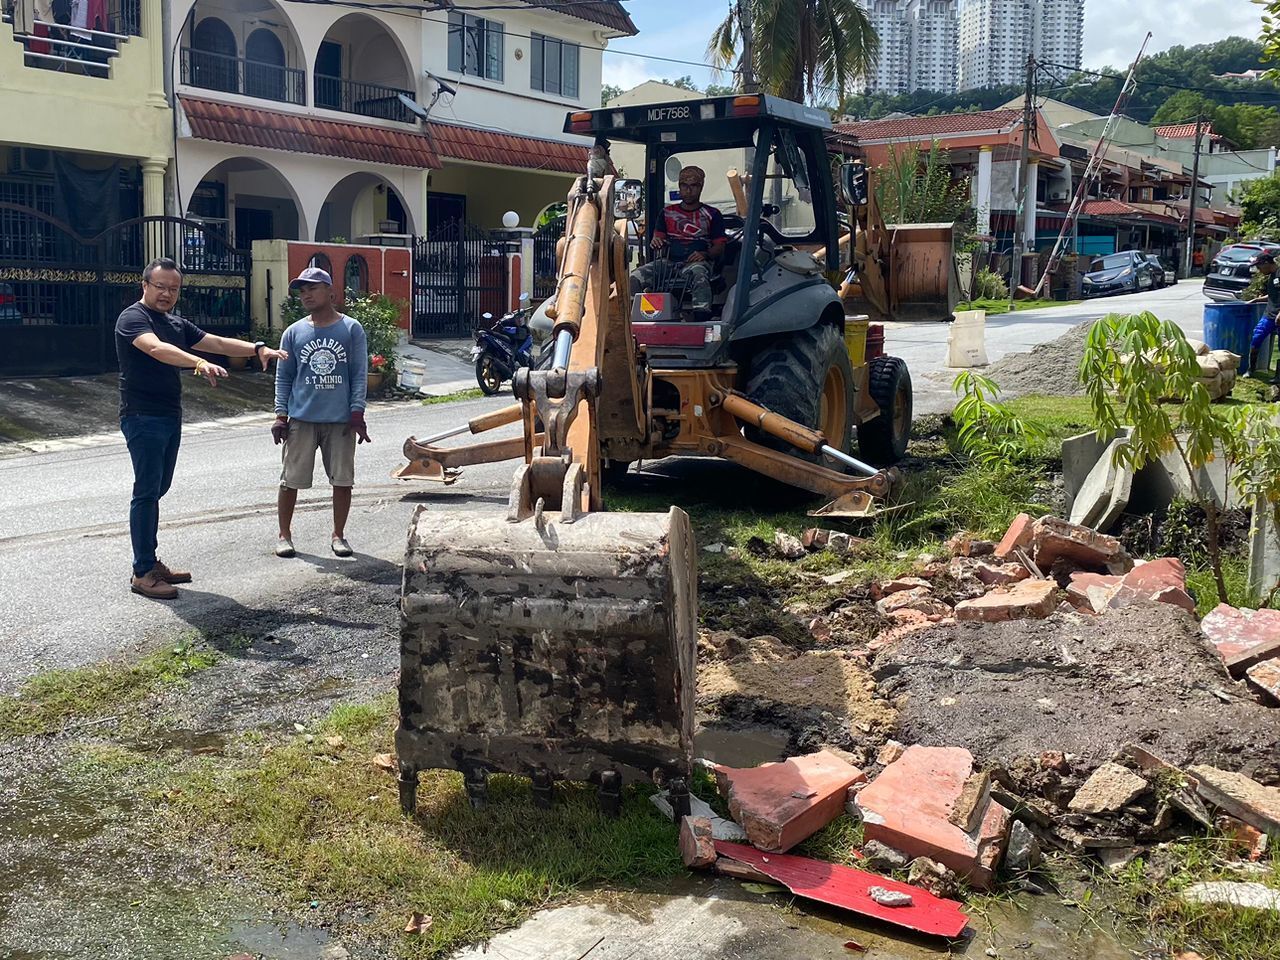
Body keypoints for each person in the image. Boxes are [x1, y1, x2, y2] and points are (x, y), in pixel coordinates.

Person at [116, 257, 287, 600]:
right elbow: (155, 348)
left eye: (173, 288)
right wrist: (196, 361)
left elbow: (218, 343)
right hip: (142, 416)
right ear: (145, 285)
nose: (166, 293)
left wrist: (258, 348)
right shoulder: (133, 318)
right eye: (160, 286)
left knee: (158, 488)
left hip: (168, 415)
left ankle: (150, 561)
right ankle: (142, 572)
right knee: (147, 492)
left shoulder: (174, 322)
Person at [272, 267, 370, 559]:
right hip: (301, 419)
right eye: (302, 290)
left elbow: (359, 374)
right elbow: (284, 377)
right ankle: (284, 535)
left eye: (312, 288)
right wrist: (280, 414)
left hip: (340, 421)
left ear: (331, 292)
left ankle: (339, 535)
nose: (306, 294)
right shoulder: (294, 332)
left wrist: (357, 412)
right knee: (290, 480)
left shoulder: (351, 329)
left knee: (342, 480)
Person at [629, 165, 727, 319]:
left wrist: (705, 254)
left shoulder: (712, 214)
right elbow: (658, 237)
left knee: (700, 277)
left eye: (693, 185)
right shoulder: (666, 213)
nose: (688, 190)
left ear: (701, 187)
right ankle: (633, 320)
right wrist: (657, 242)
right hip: (668, 262)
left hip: (696, 263)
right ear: (679, 187)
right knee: (633, 278)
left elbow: (720, 246)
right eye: (684, 185)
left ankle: (701, 321)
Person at [1248, 252, 1280, 379]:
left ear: (1266, 263)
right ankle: (1251, 369)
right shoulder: (1272, 276)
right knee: (1256, 338)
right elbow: (1273, 296)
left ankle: (1278, 377)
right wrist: (1256, 300)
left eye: (1259, 266)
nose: (1258, 270)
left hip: (1278, 316)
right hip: (1269, 315)